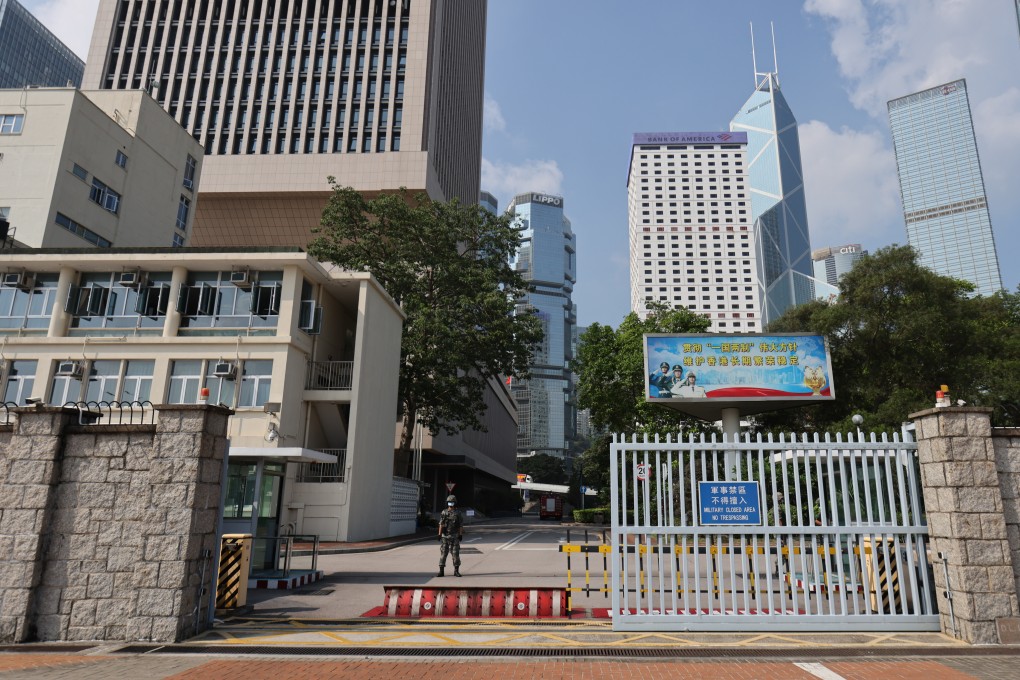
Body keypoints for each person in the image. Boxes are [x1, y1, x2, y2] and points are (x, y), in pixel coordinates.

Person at [437, 494, 464, 577]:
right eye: (449, 502)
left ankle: (456, 571)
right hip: (445, 536)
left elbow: (460, 525)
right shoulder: (444, 512)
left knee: (455, 554)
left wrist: (460, 534)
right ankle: (441, 571)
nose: (450, 504)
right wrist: (439, 534)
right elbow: (441, 524)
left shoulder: (458, 513)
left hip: (455, 536)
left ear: (455, 503)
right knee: (443, 553)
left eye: (452, 502)